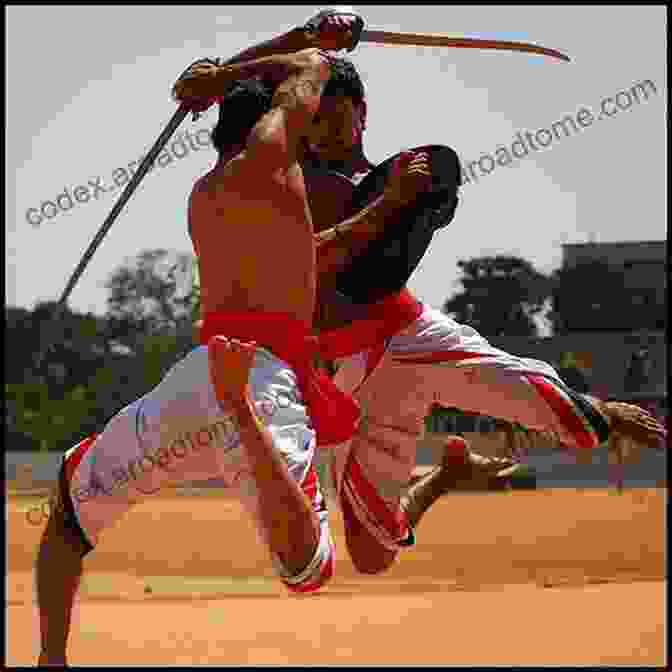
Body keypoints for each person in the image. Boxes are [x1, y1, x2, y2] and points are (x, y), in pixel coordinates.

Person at [35, 11, 432, 665]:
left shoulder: (204, 192)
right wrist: (315, 35)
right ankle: (241, 421)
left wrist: (224, 74)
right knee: (308, 568)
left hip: (196, 376)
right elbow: (312, 69)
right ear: (268, 118)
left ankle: (51, 661)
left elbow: (279, 78)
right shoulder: (270, 157)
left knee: (68, 510)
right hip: (256, 382)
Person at [299, 56, 668, 573]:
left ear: (361, 112)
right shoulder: (295, 175)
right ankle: (446, 474)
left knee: (510, 381)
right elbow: (310, 256)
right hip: (348, 372)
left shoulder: (395, 177)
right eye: (309, 117)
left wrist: (416, 201)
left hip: (401, 333)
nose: (318, 130)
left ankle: (600, 413)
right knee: (371, 555)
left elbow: (412, 227)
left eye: (330, 116)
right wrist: (301, 44)